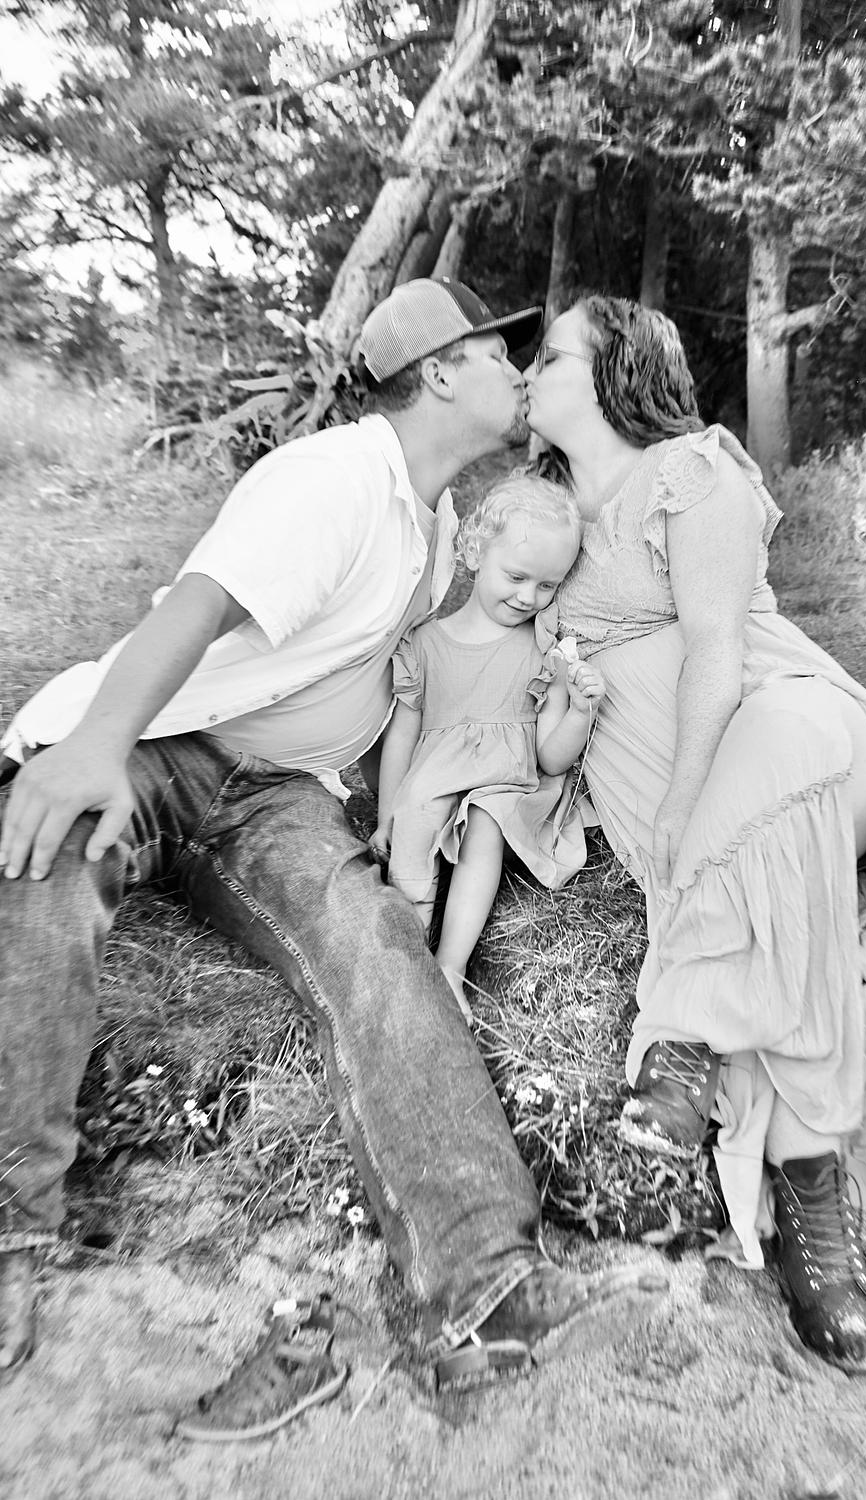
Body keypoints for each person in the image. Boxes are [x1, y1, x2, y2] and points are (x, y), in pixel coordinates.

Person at [0, 277, 670, 1425]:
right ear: (441, 371)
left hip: (278, 795)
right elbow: (199, 603)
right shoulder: (333, 479)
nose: (518, 372)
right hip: (163, 747)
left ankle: (480, 1280)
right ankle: (16, 1226)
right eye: (499, 354)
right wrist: (95, 745)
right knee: (41, 864)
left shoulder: (437, 520)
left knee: (374, 942)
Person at [523, 292, 866, 1377]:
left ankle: (697, 1050)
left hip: (798, 735)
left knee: (778, 770)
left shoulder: (693, 473)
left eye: (549, 356)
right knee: (777, 892)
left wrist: (687, 805)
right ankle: (810, 1193)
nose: (530, 374)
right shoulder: (540, 514)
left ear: (615, 373)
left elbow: (717, 653)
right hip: (679, 806)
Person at [371, 475, 605, 1011]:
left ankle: (451, 966)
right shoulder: (424, 644)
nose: (528, 597)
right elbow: (402, 737)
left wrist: (580, 711)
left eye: (546, 586)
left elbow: (550, 758)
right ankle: (405, 957)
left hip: (509, 785)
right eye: (517, 576)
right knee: (415, 819)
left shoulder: (544, 651)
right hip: (436, 778)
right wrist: (387, 816)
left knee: (486, 818)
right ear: (476, 552)